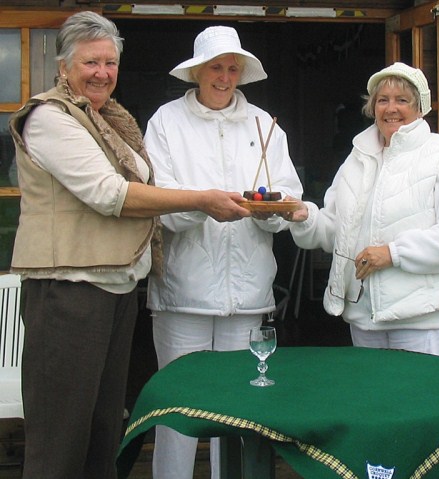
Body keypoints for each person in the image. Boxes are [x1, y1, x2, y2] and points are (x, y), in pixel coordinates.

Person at [8, 12, 251, 479]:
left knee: (102, 428)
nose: (102, 72)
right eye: (90, 62)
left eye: (110, 62)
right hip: (68, 290)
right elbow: (109, 194)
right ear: (63, 66)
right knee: (61, 435)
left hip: (114, 287)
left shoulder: (108, 120)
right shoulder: (49, 118)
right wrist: (202, 199)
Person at [143, 25, 303, 479]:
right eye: (216, 66)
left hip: (248, 293)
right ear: (197, 71)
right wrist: (205, 205)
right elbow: (160, 204)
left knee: (237, 409)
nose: (225, 76)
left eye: (233, 68)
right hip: (183, 290)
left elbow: (287, 196)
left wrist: (267, 210)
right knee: (178, 409)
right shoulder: (166, 122)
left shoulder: (265, 125)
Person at [286, 62, 439, 359]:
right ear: (372, 107)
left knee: (419, 405)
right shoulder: (358, 158)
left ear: (419, 107)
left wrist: (392, 253)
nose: (391, 108)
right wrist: (305, 216)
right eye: (382, 100)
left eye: (402, 100)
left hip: (422, 321)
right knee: (374, 405)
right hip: (366, 318)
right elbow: (336, 230)